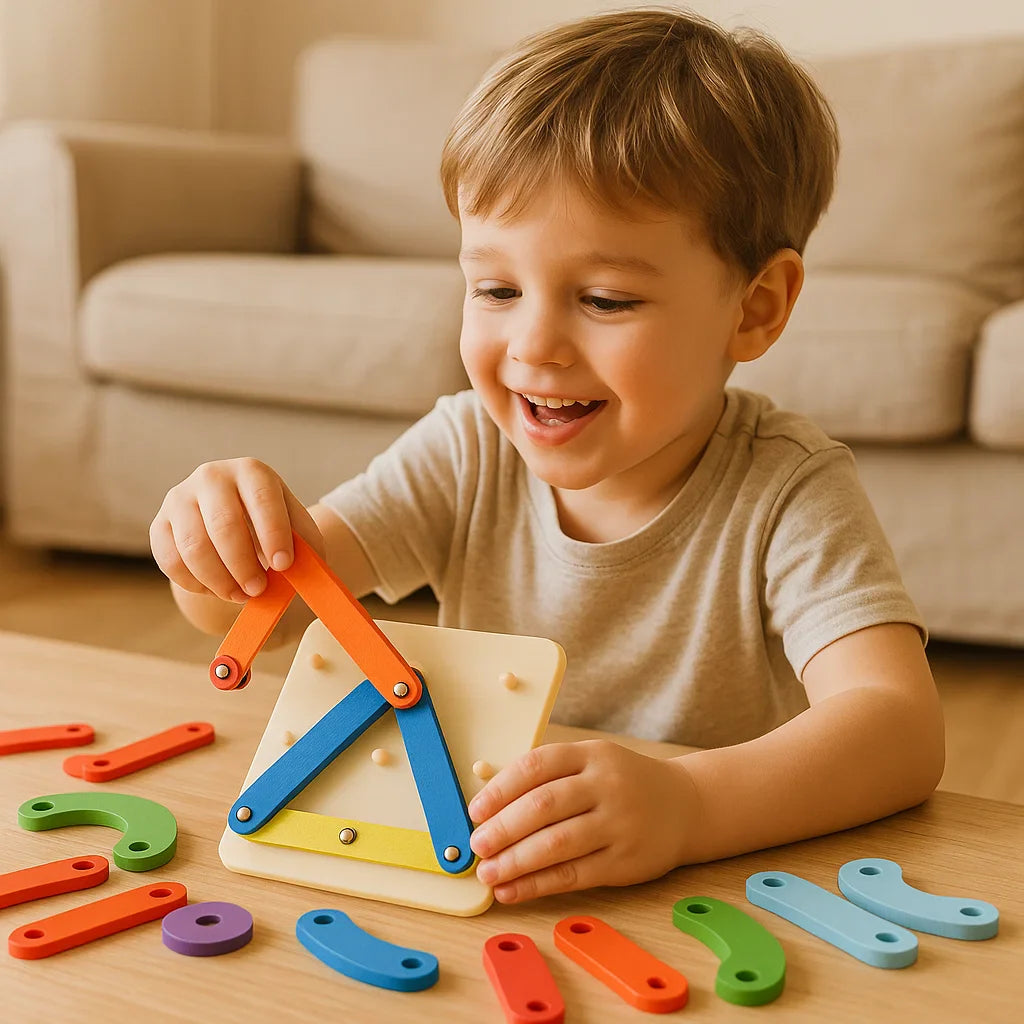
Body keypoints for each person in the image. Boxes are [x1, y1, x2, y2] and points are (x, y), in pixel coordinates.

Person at [151, 8, 945, 906]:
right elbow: (260, 616)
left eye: (604, 300)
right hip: (481, 871)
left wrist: (689, 806)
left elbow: (901, 730)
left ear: (755, 308)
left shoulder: (788, 488)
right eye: (496, 288)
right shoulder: (467, 449)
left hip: (705, 896)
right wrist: (215, 542)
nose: (533, 345)